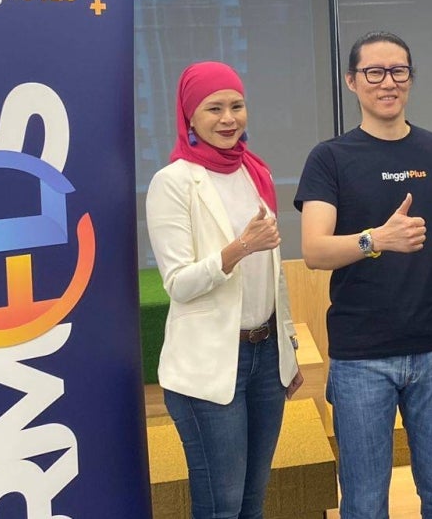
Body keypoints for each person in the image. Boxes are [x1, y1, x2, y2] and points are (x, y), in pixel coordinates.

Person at [294, 31, 432, 519]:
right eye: (374, 72)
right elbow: (314, 250)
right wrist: (376, 240)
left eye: (398, 71)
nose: (387, 82)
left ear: (411, 79)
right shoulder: (330, 158)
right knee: (366, 503)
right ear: (352, 81)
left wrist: (428, 304)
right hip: (361, 358)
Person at [146, 60, 304, 519]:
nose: (228, 118)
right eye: (214, 108)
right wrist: (237, 249)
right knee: (222, 505)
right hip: (212, 365)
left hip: (266, 355)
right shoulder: (172, 182)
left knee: (253, 501)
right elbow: (178, 283)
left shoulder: (254, 172)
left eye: (237, 105)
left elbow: (273, 276)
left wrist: (288, 349)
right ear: (188, 117)